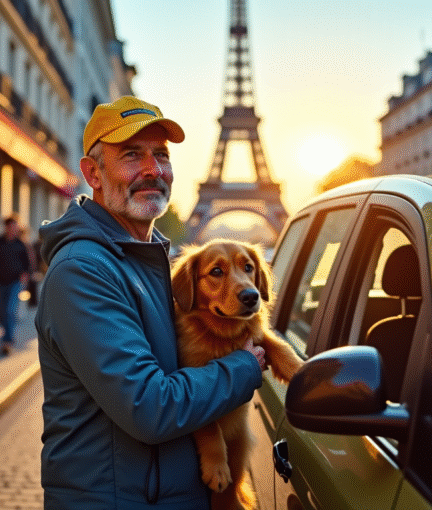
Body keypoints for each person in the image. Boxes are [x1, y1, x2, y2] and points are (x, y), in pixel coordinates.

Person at [35, 96, 266, 510]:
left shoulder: (151, 263)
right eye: (131, 155)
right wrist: (244, 366)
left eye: (161, 155)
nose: (152, 169)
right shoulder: (82, 271)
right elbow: (149, 407)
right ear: (93, 173)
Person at [0, 214, 31, 355]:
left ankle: (7, 341)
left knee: (9, 310)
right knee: (2, 312)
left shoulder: (21, 244)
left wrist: (25, 275)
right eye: (9, 226)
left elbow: (29, 264)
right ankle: (7, 338)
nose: (12, 229)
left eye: (14, 226)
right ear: (6, 227)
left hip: (15, 282)